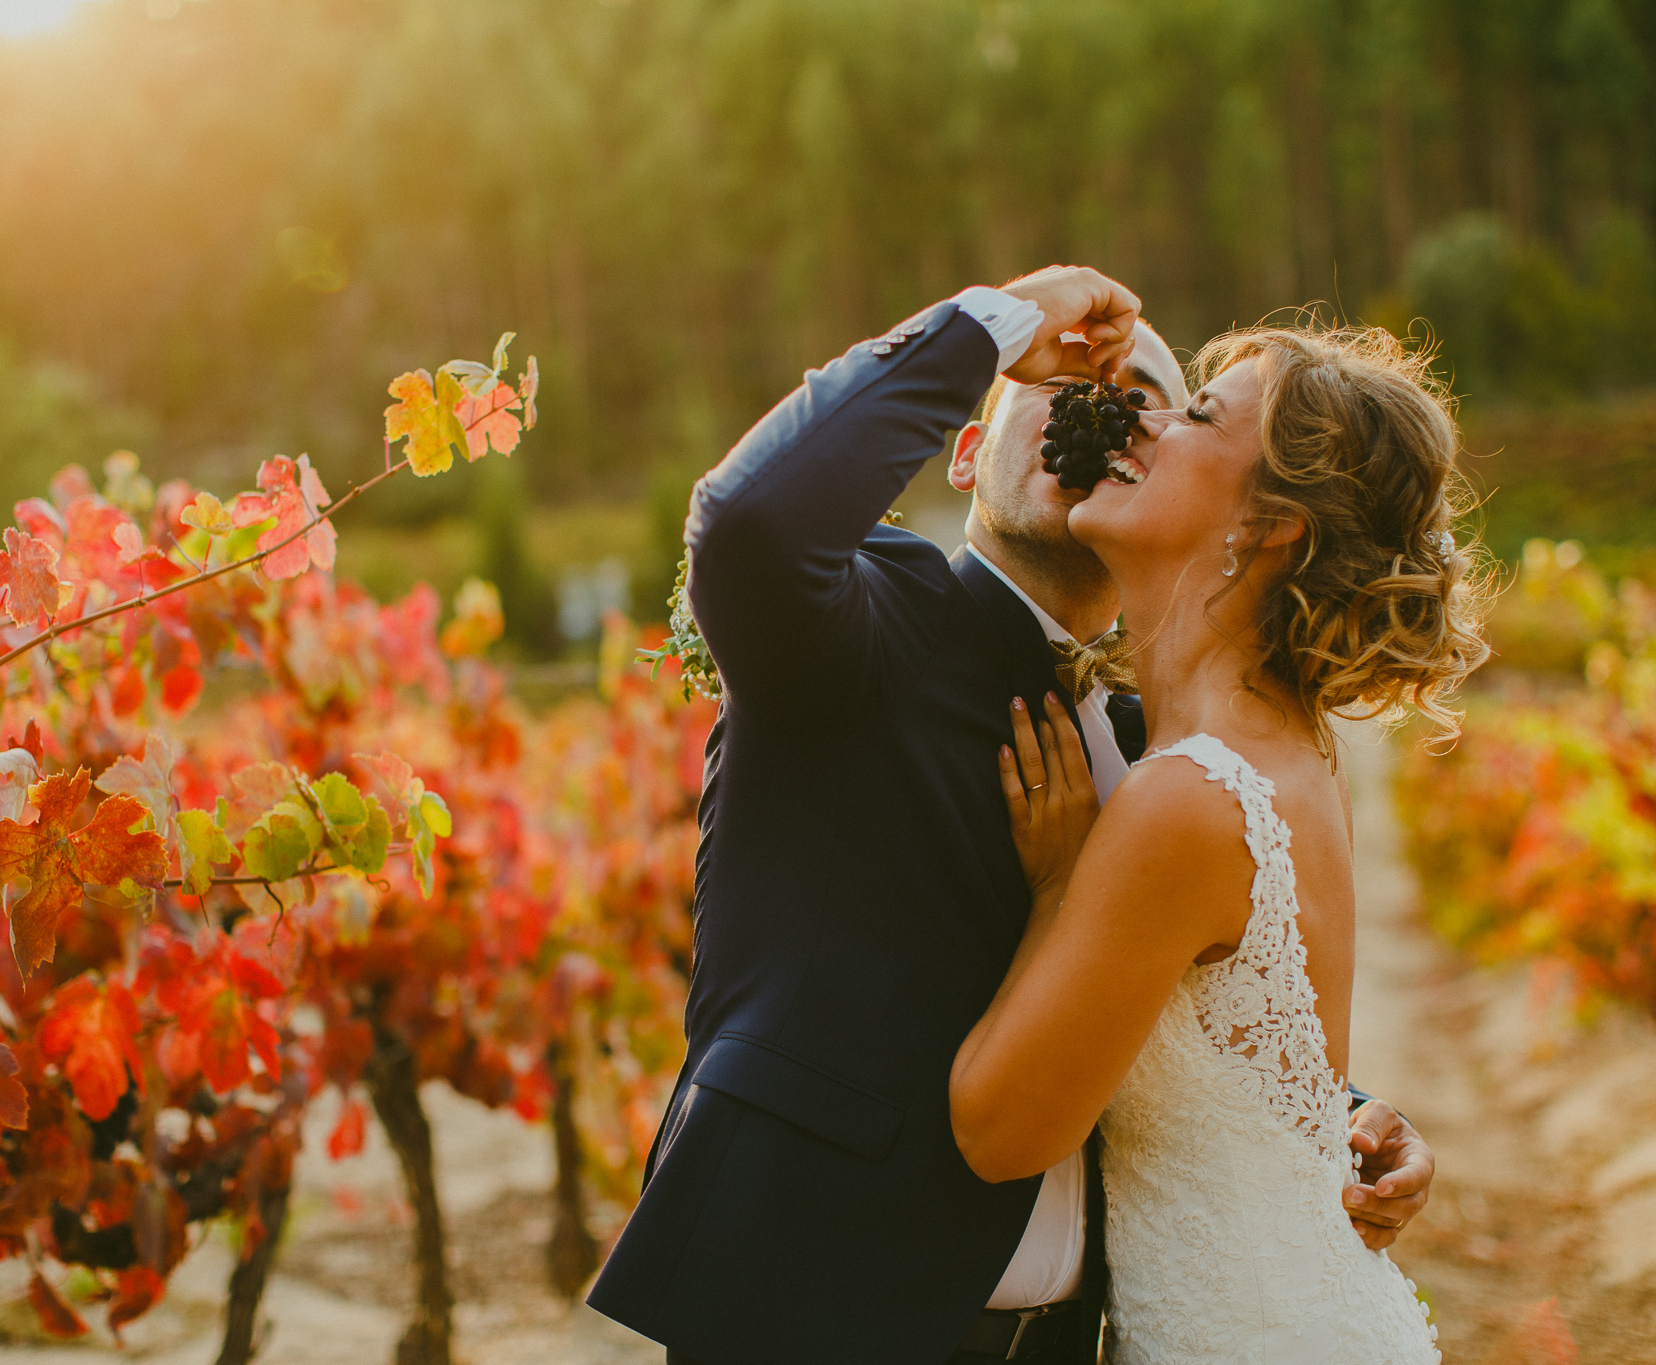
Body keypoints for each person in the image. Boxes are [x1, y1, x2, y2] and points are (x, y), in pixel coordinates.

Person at [586, 268, 1436, 1364]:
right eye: (1056, 380)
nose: (1103, 407)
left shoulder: (1170, 750)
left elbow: (1160, 1009)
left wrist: (1340, 1120)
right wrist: (995, 323)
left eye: (1145, 398)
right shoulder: (862, 624)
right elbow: (749, 527)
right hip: (817, 1317)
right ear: (959, 448)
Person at [950, 324, 1487, 1361]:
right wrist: (1359, 1116)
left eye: (1193, 413)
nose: (1138, 422)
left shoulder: (1188, 801)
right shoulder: (1280, 748)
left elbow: (996, 1128)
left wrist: (1064, 881)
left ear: (1271, 523)